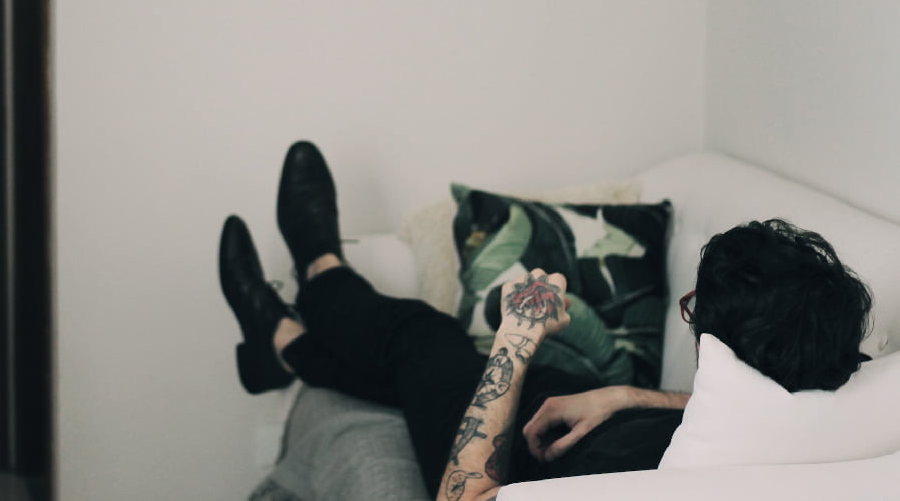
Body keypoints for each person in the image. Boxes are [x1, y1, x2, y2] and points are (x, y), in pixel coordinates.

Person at [219, 141, 873, 501]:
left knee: (422, 340)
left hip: (515, 464)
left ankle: (318, 271)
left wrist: (514, 341)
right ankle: (283, 345)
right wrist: (628, 394)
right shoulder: (838, 389)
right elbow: (746, 401)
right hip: (589, 421)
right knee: (442, 362)